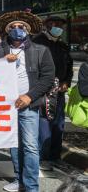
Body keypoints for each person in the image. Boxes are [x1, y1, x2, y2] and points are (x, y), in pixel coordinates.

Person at [0, 11, 55, 192]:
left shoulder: (41, 51)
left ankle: (31, 186)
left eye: (21, 27)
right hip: (7, 107)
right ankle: (19, 181)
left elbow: (48, 78)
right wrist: (2, 62)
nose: (17, 30)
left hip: (28, 106)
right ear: (7, 31)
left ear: (28, 30)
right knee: (13, 144)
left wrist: (29, 96)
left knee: (30, 146)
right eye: (13, 27)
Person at [32, 16, 73, 171]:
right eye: (53, 24)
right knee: (44, 124)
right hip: (43, 91)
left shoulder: (63, 45)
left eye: (60, 25)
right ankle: (43, 157)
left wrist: (66, 82)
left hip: (59, 91)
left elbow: (69, 66)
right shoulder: (37, 43)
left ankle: (55, 156)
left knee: (58, 124)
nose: (57, 27)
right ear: (46, 26)